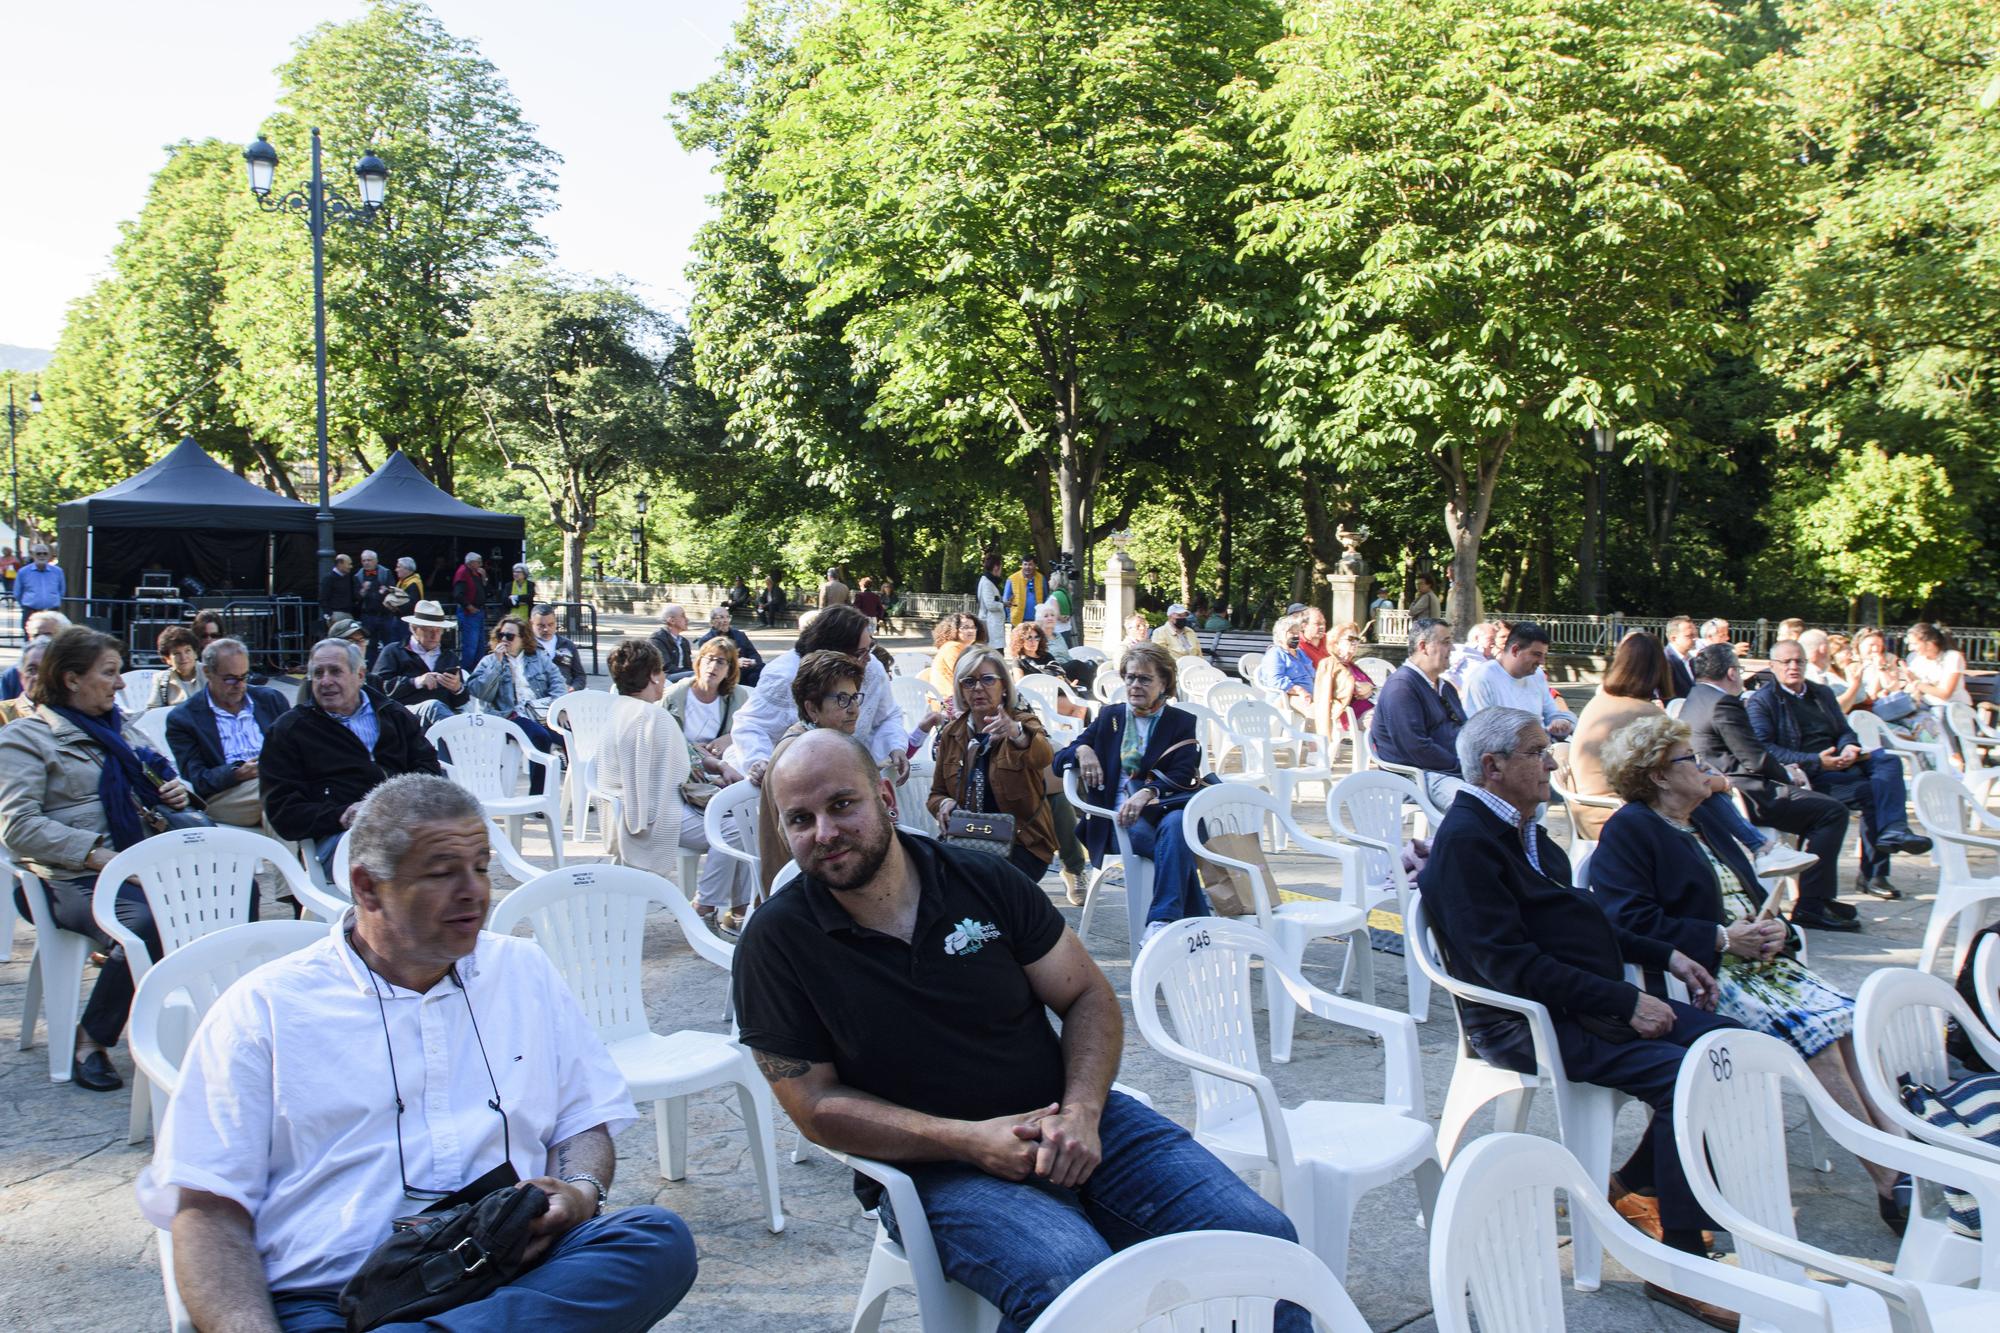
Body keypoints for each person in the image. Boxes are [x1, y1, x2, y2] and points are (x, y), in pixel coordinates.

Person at [732, 728, 1306, 1333]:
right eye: (800, 819)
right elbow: (814, 1106)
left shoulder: (980, 879)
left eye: (841, 805)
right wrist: (967, 1140)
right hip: (935, 1167)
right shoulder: (776, 945)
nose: (824, 833)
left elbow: (1086, 994)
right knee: (1075, 1287)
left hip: (1071, 1116)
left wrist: (1083, 1111)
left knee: (1264, 1242)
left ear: (885, 796)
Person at [137, 773, 697, 1332]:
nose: (474, 891)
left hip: (506, 1264)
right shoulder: (263, 1009)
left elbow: (583, 1120)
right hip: (338, 1298)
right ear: (367, 887)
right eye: (441, 872)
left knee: (656, 1240)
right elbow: (209, 1213)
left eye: (480, 866)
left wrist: (578, 1194)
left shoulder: (522, 971)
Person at [1416, 707, 1738, 1317]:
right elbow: (1509, 968)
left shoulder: (1520, 828)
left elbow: (1577, 918)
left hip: (1575, 1005)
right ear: (1493, 767)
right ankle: (1682, 1262)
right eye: (1538, 753)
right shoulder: (1468, 844)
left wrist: (1666, 955)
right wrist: (1626, 1000)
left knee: (1728, 1048)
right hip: (1525, 1025)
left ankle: (1638, 1184)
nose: (1553, 762)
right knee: (1688, 1077)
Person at [1590, 713, 1911, 1233]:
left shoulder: (1702, 819)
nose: (1702, 767)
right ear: (1657, 775)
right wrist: (1721, 938)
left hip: (1760, 966)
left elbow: (1754, 895)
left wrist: (1778, 929)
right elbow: (1624, 919)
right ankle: (1889, 1180)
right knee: (1819, 1042)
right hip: (1707, 977)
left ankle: (1901, 1156)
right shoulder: (1632, 828)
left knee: (1852, 1026)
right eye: (1688, 759)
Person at [0, 627, 192, 1091]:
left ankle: (204, 1021)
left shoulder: (120, 728)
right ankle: (92, 1039)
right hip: (65, 878)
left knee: (232, 889)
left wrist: (178, 791)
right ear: (71, 679)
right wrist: (96, 854)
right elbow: (17, 825)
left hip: (140, 861)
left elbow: (165, 780)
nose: (121, 683)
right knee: (145, 925)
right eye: (109, 673)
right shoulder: (27, 738)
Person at [1680, 644, 1863, 932]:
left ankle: (1820, 896)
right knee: (1832, 812)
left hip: (1727, 787)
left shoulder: (1695, 696)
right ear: (1730, 673)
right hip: (1746, 793)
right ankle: (1811, 905)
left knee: (1818, 806)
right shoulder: (1722, 702)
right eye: (1739, 670)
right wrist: (1789, 775)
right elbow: (1755, 758)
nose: (1740, 676)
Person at [1747, 639, 1932, 901]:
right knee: (1872, 794)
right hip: (1809, 773)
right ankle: (1875, 873)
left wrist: (1849, 748)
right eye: (1786, 662)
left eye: (1799, 661)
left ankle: (1894, 830)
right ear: (1772, 666)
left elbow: (1844, 730)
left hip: (1842, 762)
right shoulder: (1763, 701)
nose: (1793, 667)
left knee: (1888, 761)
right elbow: (1766, 749)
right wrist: (1815, 760)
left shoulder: (1820, 693)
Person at [1051, 641, 1206, 947]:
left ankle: (1163, 923)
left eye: (1145, 679)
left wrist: (1147, 792)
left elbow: (1183, 775)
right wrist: (1083, 750)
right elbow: (1059, 761)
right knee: (1178, 846)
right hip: (1114, 822)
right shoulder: (1111, 717)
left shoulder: (1181, 722)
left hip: (1160, 815)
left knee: (1175, 827)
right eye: (1130, 677)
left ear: (1164, 684)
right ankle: (1194, 929)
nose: (1135, 685)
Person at [604, 640, 755, 935]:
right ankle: (705, 907)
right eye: (660, 671)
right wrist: (717, 771)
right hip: (654, 813)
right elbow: (681, 774)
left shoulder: (619, 708)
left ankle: (736, 910)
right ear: (653, 677)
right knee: (738, 826)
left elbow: (676, 762)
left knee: (737, 819)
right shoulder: (654, 716)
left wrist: (711, 765)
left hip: (631, 806)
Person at [262, 638, 444, 879]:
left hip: (405, 824)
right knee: (405, 865)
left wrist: (397, 803)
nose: (325, 681)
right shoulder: (290, 730)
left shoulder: (393, 715)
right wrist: (342, 814)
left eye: (335, 671)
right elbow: (283, 811)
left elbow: (429, 771)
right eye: (318, 673)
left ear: (360, 675)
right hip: (340, 838)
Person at [725, 604, 910, 791]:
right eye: (860, 653)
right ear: (832, 652)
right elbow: (750, 724)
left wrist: (894, 746)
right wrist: (759, 760)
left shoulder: (872, 668)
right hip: (787, 780)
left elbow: (887, 716)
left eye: (870, 648)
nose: (869, 658)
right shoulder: (784, 675)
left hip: (847, 774)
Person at [929, 647, 1061, 885]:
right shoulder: (952, 732)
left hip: (1020, 843)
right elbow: (936, 794)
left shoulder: (1023, 723)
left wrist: (1016, 734)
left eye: (987, 679)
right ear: (960, 689)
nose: (978, 688)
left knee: (976, 885)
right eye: (969, 682)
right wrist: (945, 803)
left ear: (1003, 687)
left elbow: (1043, 755)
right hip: (966, 838)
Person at [751, 649, 874, 892]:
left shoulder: (825, 742)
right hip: (803, 886)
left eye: (854, 697)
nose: (853, 709)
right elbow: (797, 839)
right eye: (841, 699)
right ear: (812, 709)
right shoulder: (803, 756)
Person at [165, 638, 289, 828]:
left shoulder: (270, 700)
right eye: (230, 679)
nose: (239, 685)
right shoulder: (184, 719)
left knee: (284, 794)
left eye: (245, 677)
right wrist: (236, 773)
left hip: (276, 782)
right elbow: (197, 779)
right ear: (207, 673)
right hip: (225, 795)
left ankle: (280, 858)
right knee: (278, 791)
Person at [465, 615, 568, 793]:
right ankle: (538, 796)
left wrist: (559, 707)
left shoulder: (539, 658)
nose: (504, 639)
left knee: (572, 737)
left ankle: (574, 791)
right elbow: (477, 690)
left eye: (510, 636)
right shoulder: (489, 661)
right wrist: (496, 665)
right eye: (501, 635)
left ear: (523, 639)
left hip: (540, 712)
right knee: (540, 737)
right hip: (509, 717)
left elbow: (558, 681)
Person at [1371, 619, 1467, 804]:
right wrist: (1462, 767)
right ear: (1424, 646)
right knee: (1475, 807)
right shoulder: (1401, 688)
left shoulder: (1445, 687)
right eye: (1445, 642)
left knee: (1517, 796)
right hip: (1417, 777)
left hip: (1448, 770)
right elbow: (1415, 747)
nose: (1452, 649)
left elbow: (1466, 730)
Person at [368, 600, 470, 729]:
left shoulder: (449, 657)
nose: (434, 635)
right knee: (433, 706)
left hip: (441, 721)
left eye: (438, 630)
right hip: (403, 718)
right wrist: (415, 682)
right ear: (414, 629)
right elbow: (378, 689)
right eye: (428, 630)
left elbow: (461, 702)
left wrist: (457, 689)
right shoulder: (393, 651)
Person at [1464, 622, 1576, 739]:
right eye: (1537, 654)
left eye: (1544, 655)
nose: (1542, 661)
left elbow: (1552, 714)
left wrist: (1562, 722)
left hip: (1542, 747)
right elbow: (1482, 733)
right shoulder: (1482, 678)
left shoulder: (1537, 675)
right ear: (1515, 650)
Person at [666, 636, 754, 763]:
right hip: (681, 763)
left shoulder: (738, 696)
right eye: (709, 659)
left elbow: (751, 731)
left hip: (724, 765)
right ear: (699, 662)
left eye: (720, 661)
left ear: (729, 670)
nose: (713, 666)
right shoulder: (675, 695)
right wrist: (692, 749)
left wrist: (731, 738)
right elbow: (661, 737)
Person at [1310, 621, 1376, 738]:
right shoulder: (1329, 664)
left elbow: (1371, 688)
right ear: (1336, 643)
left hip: (1370, 710)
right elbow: (1324, 698)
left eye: (1357, 639)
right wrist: (1360, 688)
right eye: (1350, 639)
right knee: (1383, 724)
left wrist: (1368, 687)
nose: (1355, 643)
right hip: (1352, 715)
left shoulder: (1351, 665)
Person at [1905, 622, 1971, 715]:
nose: (1910, 648)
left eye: (1914, 644)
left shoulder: (1952, 657)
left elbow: (1945, 694)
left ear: (1929, 644)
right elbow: (1910, 688)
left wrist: (1916, 684)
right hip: (1924, 707)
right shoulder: (1914, 658)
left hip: (1950, 709)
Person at [695, 603, 764, 687]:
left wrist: (752, 661)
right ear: (712, 622)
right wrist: (736, 663)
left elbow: (754, 654)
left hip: (747, 671)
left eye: (727, 617)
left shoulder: (740, 635)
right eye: (721, 617)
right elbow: (710, 664)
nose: (725, 621)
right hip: (726, 674)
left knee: (762, 669)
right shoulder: (707, 640)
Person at [1798, 628, 1866, 713]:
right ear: (1824, 649)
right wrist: (1855, 685)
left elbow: (1860, 697)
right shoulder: (1814, 674)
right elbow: (1833, 709)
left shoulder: (1800, 672)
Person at [1264, 614, 1316, 721]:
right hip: (1286, 697)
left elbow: (1313, 674)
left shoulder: (1300, 653)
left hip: (1308, 694)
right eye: (1292, 633)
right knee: (1315, 712)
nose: (1296, 636)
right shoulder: (1275, 653)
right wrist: (1300, 690)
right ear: (1280, 635)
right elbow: (1275, 681)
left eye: (1297, 633)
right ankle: (1312, 737)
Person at [144, 625, 206, 712]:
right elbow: (152, 711)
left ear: (195, 653)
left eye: (187, 651)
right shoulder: (161, 680)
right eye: (177, 653)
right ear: (167, 659)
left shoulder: (210, 674)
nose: (184, 657)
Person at [529, 604, 588, 692]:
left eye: (550, 624)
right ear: (531, 624)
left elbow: (580, 676)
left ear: (556, 622)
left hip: (564, 697)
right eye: (541, 626)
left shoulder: (567, 644)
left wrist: (573, 688)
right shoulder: (526, 646)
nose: (546, 629)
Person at [352, 550, 395, 667]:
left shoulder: (385, 572)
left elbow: (393, 589)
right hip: (368, 615)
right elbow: (356, 597)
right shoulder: (358, 576)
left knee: (388, 643)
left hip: (385, 614)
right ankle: (371, 669)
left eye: (369, 560)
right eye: (364, 560)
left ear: (376, 561)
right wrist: (363, 591)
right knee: (370, 644)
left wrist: (385, 591)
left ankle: (389, 667)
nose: (366, 563)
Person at [927, 614, 977, 698]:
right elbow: (965, 675)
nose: (971, 631)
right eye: (965, 627)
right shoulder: (953, 648)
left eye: (973, 627)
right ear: (954, 630)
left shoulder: (964, 647)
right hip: (947, 700)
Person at [451, 551, 487, 670]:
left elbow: (485, 590)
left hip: (479, 612)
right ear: (471, 563)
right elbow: (458, 594)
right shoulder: (462, 573)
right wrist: (469, 606)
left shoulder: (475, 573)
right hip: (469, 613)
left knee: (480, 645)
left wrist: (484, 578)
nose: (480, 565)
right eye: (479, 562)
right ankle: (466, 672)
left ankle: (478, 670)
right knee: (470, 646)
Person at [0, 638, 48, 723]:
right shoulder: (3, 714)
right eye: (32, 670)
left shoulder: (72, 714)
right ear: (21, 676)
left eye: (47, 670)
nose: (39, 677)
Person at [648, 604, 695, 680]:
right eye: (683, 616)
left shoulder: (684, 641)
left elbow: (688, 665)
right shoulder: (656, 640)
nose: (687, 620)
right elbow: (667, 668)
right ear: (672, 621)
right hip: (664, 678)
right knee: (695, 676)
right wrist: (692, 673)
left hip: (683, 675)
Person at [15, 543, 65, 614]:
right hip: (30, 612)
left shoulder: (58, 572)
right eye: (39, 553)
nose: (42, 556)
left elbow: (61, 591)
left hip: (52, 612)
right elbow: (17, 593)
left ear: (49, 555)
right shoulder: (23, 572)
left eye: (45, 553)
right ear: (33, 555)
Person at [1004, 554, 1045, 629]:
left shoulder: (1041, 578)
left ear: (1035, 565)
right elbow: (1005, 601)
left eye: (1030, 564)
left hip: (1037, 621)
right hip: (1017, 622)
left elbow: (1045, 598)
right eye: (1025, 564)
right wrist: (1010, 616)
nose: (1027, 567)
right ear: (1022, 565)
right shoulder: (1012, 579)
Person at [318, 554, 355, 632]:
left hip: (348, 614)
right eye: (349, 564)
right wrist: (329, 615)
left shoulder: (348, 577)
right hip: (336, 615)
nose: (351, 566)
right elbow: (323, 598)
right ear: (340, 564)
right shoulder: (329, 578)